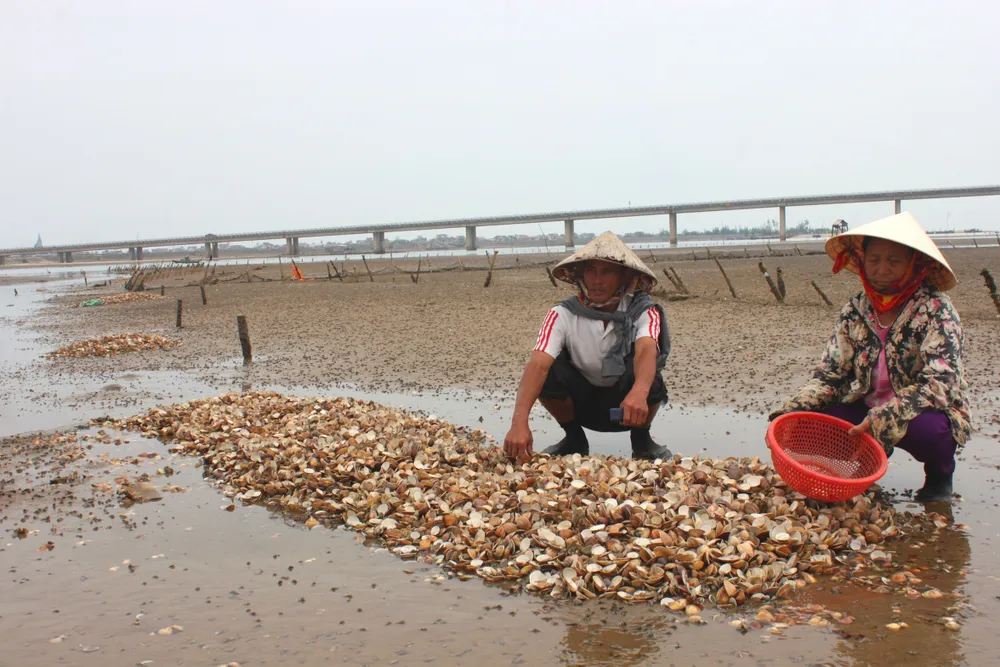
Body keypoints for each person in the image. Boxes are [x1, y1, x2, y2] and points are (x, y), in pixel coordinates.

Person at [770, 212, 971, 502]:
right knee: (804, 423)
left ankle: (940, 476)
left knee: (936, 433)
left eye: (894, 261)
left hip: (919, 414)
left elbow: (941, 385)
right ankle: (862, 465)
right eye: (875, 259)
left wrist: (883, 418)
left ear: (913, 264)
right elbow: (831, 374)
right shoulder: (856, 310)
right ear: (863, 260)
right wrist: (789, 412)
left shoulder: (936, 310)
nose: (882, 269)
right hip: (866, 405)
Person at [503, 231, 671, 461]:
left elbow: (646, 348)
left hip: (631, 406)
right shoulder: (561, 314)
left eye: (607, 271)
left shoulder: (643, 310)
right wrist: (519, 423)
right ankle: (574, 438)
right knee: (550, 371)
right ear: (580, 275)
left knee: (651, 374)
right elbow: (538, 365)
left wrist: (639, 393)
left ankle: (641, 441)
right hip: (581, 404)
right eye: (591, 270)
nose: (597, 279)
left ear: (624, 277)